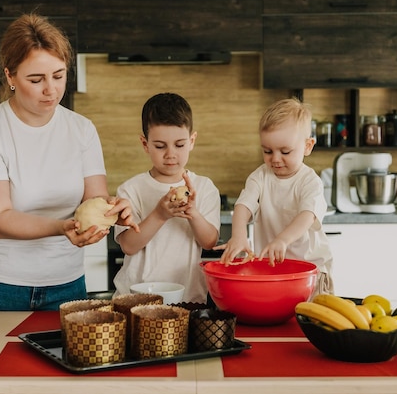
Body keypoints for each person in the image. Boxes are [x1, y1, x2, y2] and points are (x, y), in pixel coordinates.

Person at [0, 13, 139, 329]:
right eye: (36, 79)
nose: (51, 90)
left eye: (59, 75)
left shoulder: (81, 130)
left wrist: (113, 211)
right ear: (10, 76)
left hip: (67, 284)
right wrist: (62, 227)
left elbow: (94, 199)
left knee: (66, 376)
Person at [216, 97, 333, 295]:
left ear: (308, 146)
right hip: (273, 273)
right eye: (268, 151)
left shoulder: (310, 181)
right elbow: (243, 206)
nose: (275, 159)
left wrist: (282, 240)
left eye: (285, 151)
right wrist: (238, 235)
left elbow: (307, 216)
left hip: (311, 273)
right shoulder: (260, 177)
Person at [112, 93, 221, 303]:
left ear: (192, 141)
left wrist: (193, 213)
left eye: (179, 145)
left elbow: (209, 242)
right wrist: (160, 215)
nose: (170, 154)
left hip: (187, 299)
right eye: (160, 146)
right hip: (136, 299)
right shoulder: (130, 189)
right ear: (145, 144)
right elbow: (129, 246)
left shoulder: (204, 187)